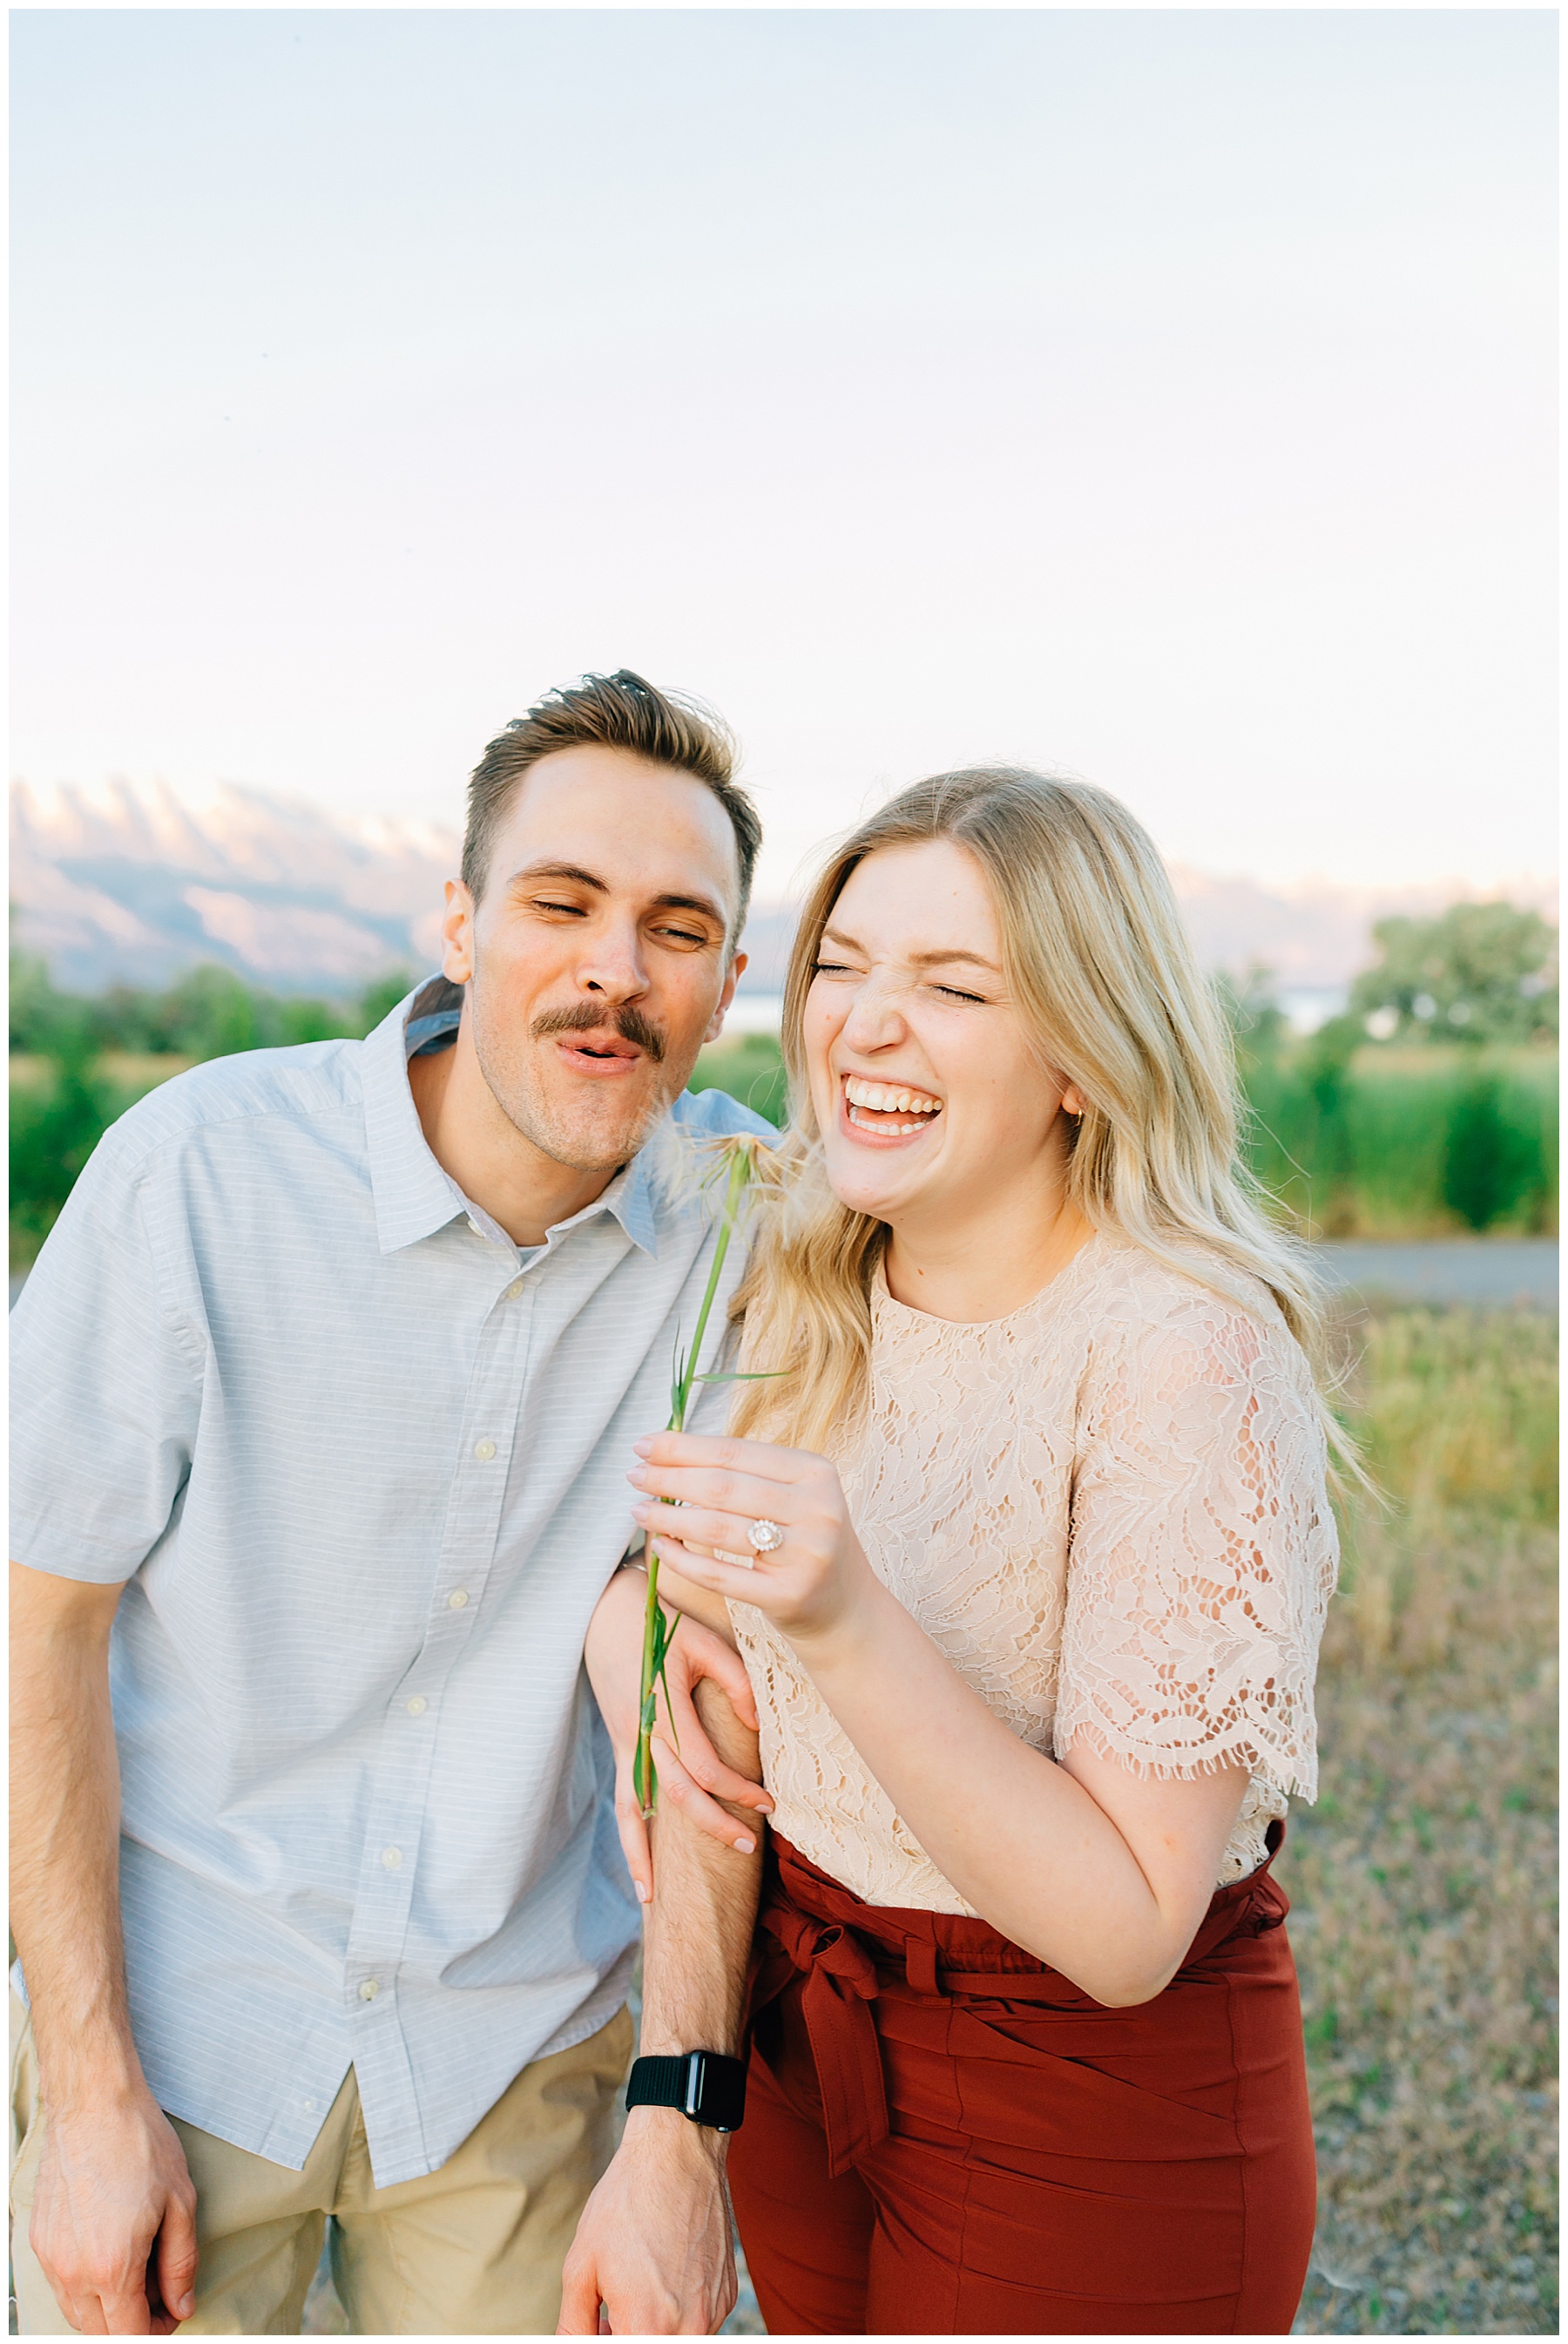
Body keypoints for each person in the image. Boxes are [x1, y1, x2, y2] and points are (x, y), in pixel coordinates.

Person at [10, 669, 777, 2336]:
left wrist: (682, 2120)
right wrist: (83, 2092)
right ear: (460, 920)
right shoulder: (200, 1171)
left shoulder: (743, 1234)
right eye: (560, 904)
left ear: (728, 979)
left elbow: (709, 1702)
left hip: (518, 2059)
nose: (611, 969)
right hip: (184, 2029)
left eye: (675, 927)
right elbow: (37, 1618)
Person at [583, 765, 1341, 2334]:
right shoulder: (802, 1279)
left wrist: (848, 1616)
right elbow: (706, 1599)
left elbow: (1132, 1927)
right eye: (841, 967)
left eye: (951, 984)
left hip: (1088, 2111)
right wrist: (628, 1632)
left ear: (1083, 1052)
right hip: (807, 2044)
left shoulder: (1177, 1353)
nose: (862, 1023)